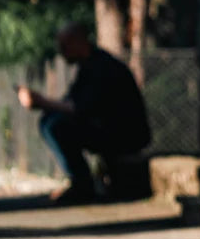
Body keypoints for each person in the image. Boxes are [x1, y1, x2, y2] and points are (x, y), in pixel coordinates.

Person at [17, 22, 151, 205]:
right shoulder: (88, 67)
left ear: (78, 42)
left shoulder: (102, 67)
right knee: (51, 121)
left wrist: (41, 102)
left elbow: (79, 108)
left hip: (124, 135)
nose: (61, 52)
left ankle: (82, 185)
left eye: (64, 46)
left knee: (55, 125)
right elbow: (71, 104)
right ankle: (80, 182)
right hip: (107, 129)